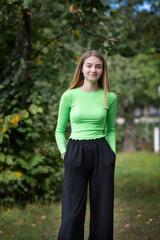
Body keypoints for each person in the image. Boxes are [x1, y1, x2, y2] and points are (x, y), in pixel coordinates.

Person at [55, 49, 117, 240]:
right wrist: (64, 153)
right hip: (75, 151)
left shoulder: (110, 97)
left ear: (103, 70)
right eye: (89, 65)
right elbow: (59, 130)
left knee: (103, 211)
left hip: (101, 152)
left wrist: (112, 154)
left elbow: (111, 130)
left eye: (98, 66)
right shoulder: (69, 96)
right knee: (72, 212)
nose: (93, 70)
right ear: (81, 68)